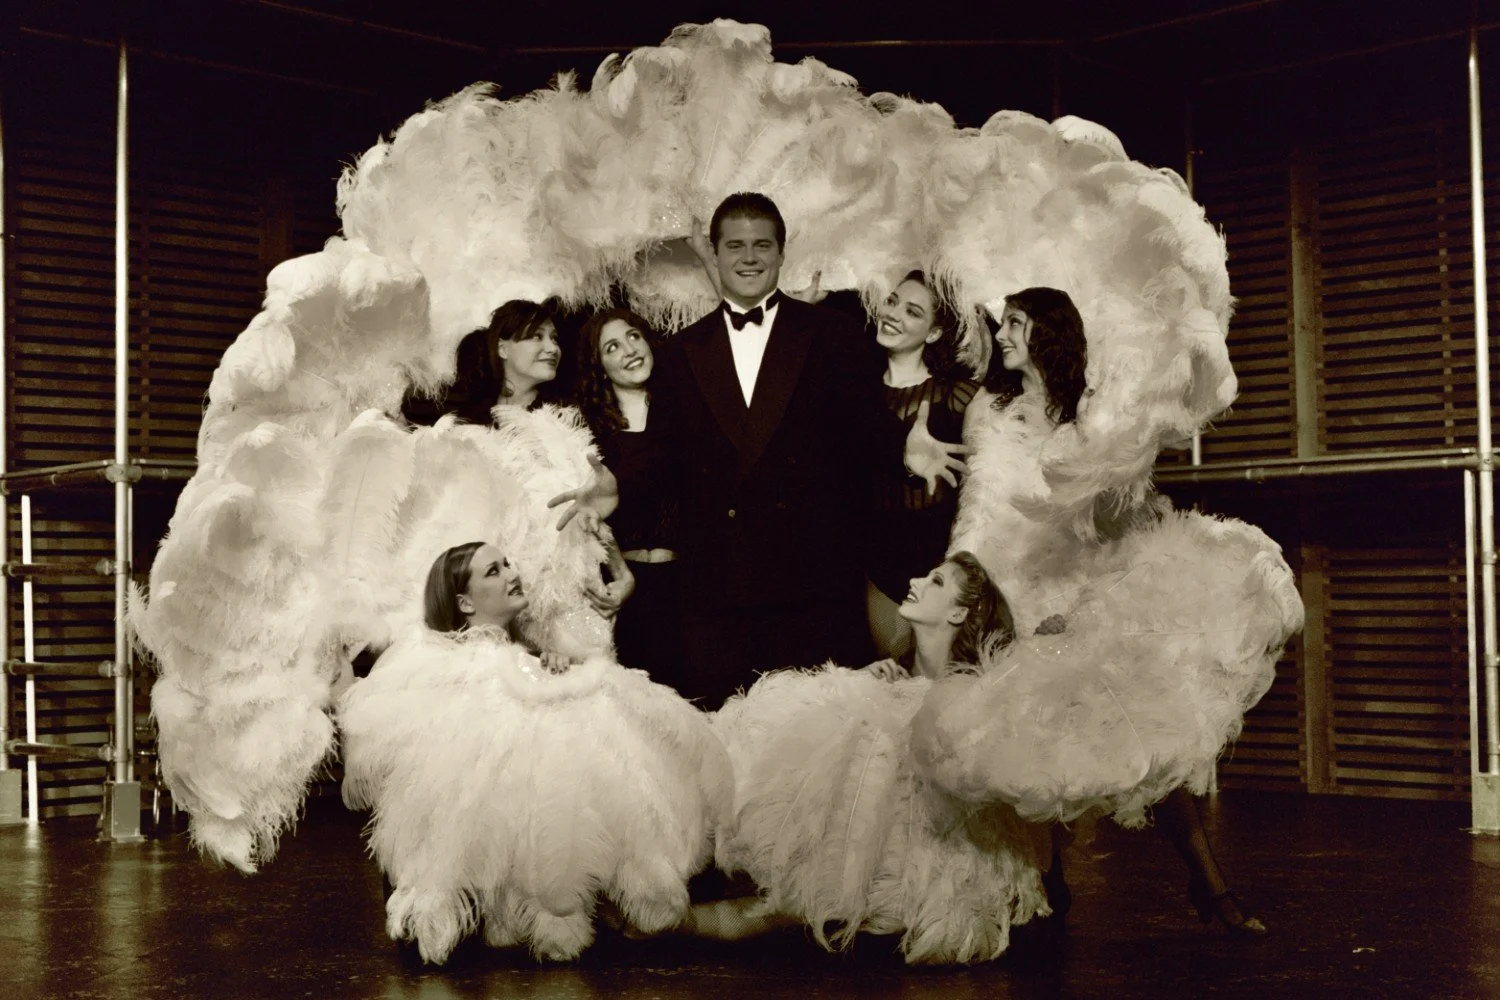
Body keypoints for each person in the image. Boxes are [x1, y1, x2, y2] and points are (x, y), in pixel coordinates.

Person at [950, 286, 1267, 938]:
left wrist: (1089, 602)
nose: (1003, 335)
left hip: (1082, 593)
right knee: (1028, 744)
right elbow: (978, 510)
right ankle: (1048, 880)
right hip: (1011, 594)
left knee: (1145, 741)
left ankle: (1209, 884)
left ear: (1049, 333)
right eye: (1002, 324)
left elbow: (1119, 521)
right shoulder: (989, 408)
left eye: (1015, 324)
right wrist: (979, 591)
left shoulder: (1091, 419)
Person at [338, 540, 731, 964]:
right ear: (464, 603)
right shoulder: (436, 664)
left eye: (508, 563)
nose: (511, 573)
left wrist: (553, 671)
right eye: (494, 571)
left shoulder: (530, 657)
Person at [646, 192, 968, 708]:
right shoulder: (679, 351)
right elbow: (664, 464)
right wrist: (617, 486)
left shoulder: (834, 335)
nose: (748, 257)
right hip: (716, 593)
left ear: (780, 252)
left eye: (761, 245)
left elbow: (864, 426)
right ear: (715, 252)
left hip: (811, 588)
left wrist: (902, 453)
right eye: (735, 246)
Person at [680, 551, 1048, 964]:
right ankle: (659, 922)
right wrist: (866, 688)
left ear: (960, 613)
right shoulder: (882, 688)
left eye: (937, 582)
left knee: (795, 906)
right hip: (841, 883)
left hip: (913, 893)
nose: (916, 581)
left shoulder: (974, 705)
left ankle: (668, 923)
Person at [865, 271, 980, 659]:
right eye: (893, 301)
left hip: (937, 569)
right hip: (873, 567)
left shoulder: (959, 395)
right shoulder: (854, 386)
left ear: (933, 333)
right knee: (892, 688)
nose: (894, 314)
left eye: (913, 312)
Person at [572, 307, 683, 687]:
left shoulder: (686, 408)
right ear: (599, 366)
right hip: (624, 590)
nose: (629, 351)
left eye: (633, 336)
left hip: (691, 585)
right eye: (612, 348)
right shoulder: (588, 430)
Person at [452, 298, 565, 421]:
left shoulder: (566, 417)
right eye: (537, 336)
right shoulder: (468, 420)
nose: (553, 348)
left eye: (554, 338)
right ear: (502, 349)